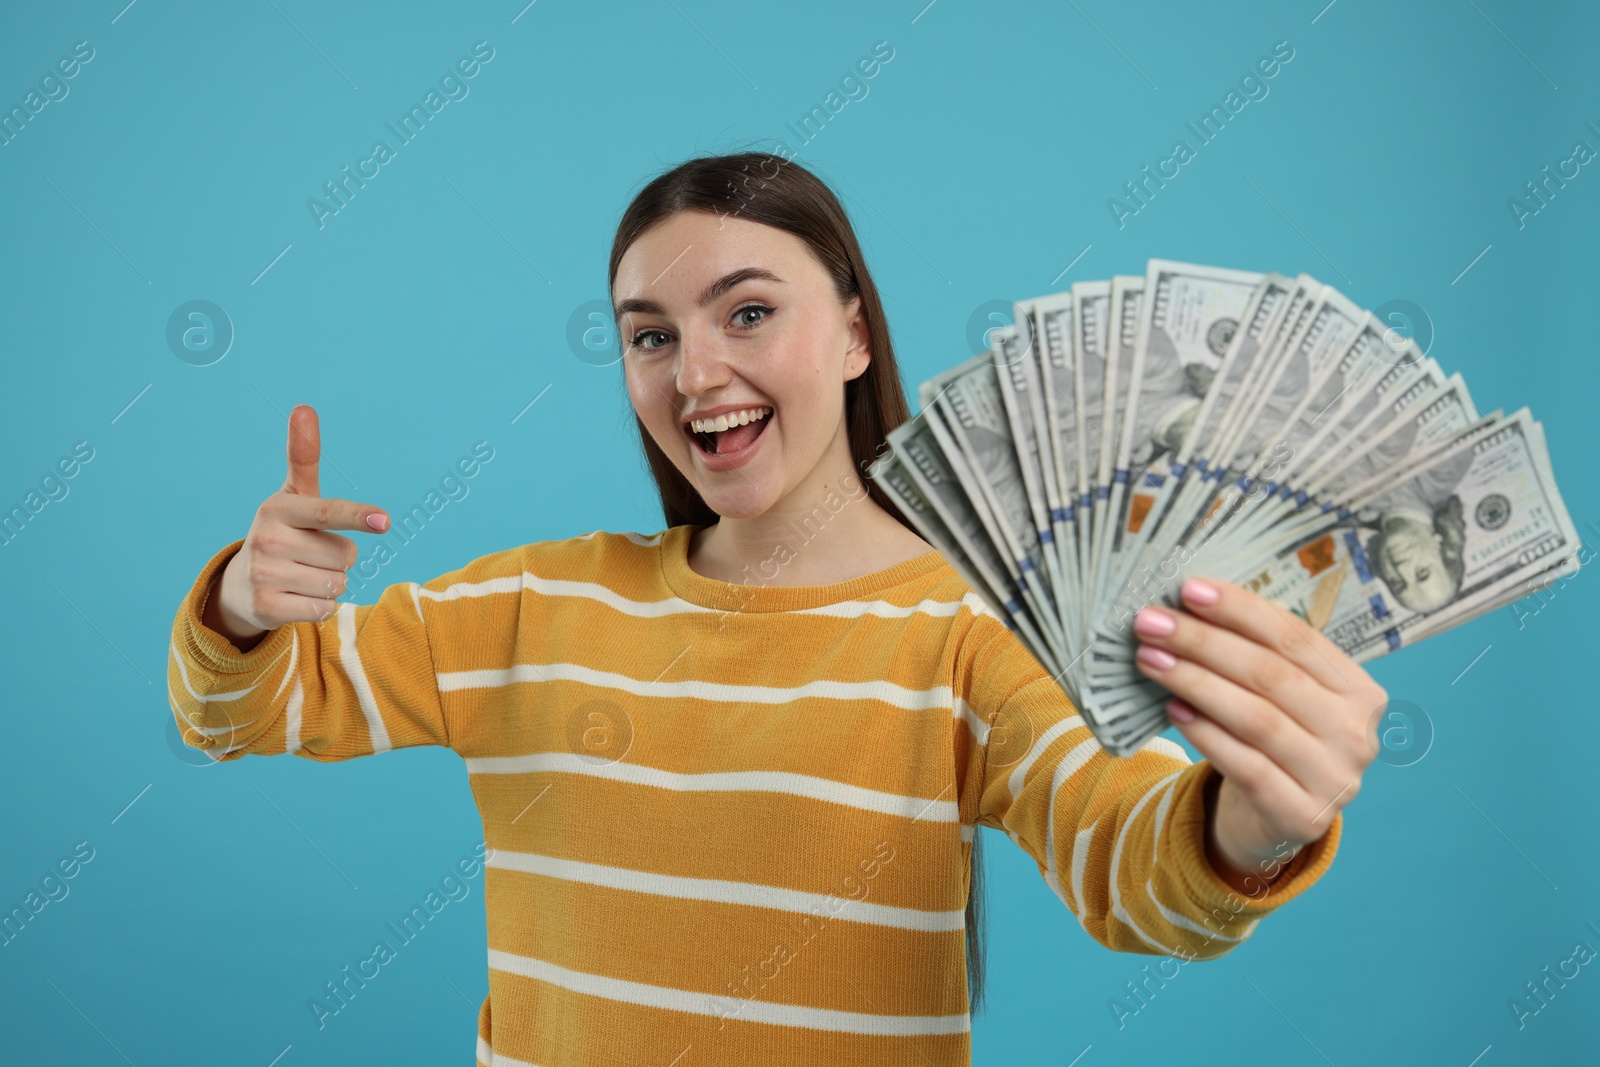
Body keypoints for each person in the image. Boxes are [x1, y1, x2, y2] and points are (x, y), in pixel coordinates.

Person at [167, 151, 1386, 1066]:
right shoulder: (531, 605)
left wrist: (1252, 820)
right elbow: (240, 710)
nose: (695, 374)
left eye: (747, 312)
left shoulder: (968, 636)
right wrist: (242, 600)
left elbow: (1131, 867)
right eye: (651, 336)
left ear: (854, 332)